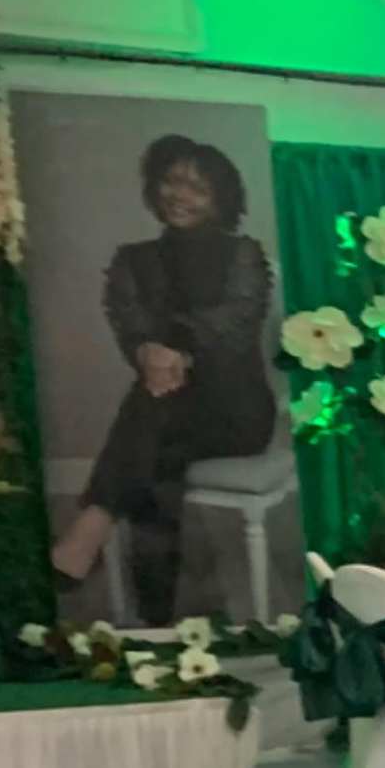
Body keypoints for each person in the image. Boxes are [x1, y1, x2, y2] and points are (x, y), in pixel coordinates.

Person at [51, 136, 278, 616]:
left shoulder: (244, 254)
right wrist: (147, 350)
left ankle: (93, 528)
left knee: (154, 402)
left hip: (235, 412)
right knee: (158, 448)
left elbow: (235, 326)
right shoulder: (131, 260)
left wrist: (170, 349)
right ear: (154, 188)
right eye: (172, 181)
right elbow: (128, 325)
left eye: (198, 187)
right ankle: (159, 613)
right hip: (166, 406)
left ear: (221, 199)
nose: (181, 195)